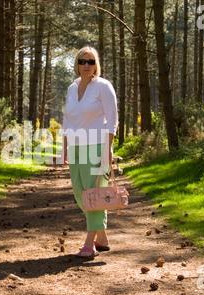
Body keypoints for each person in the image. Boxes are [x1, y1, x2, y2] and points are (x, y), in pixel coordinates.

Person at [62, 46, 118, 258]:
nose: (86, 65)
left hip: (96, 145)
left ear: (96, 65)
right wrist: (65, 147)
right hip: (76, 146)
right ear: (77, 65)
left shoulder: (103, 86)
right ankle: (102, 236)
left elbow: (112, 120)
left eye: (91, 61)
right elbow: (68, 119)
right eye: (82, 61)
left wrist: (108, 149)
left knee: (93, 193)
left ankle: (90, 242)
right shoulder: (71, 88)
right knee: (79, 193)